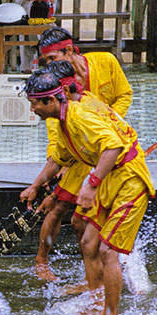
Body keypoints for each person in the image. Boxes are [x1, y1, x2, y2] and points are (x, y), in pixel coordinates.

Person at [20, 69, 153, 315]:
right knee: (89, 241)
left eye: (35, 102)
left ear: (52, 100)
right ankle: (95, 305)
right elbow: (58, 160)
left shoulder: (80, 115)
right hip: (109, 180)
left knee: (107, 250)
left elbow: (113, 146)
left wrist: (91, 184)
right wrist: (35, 186)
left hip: (129, 179)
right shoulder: (63, 122)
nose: (32, 108)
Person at [33, 26, 133, 282]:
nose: (49, 66)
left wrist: (106, 120)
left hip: (106, 147)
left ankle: (96, 278)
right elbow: (56, 135)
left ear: (69, 50)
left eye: (53, 59)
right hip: (77, 152)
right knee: (59, 205)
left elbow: (124, 95)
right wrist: (56, 165)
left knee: (86, 220)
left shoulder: (106, 61)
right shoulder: (54, 88)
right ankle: (42, 260)